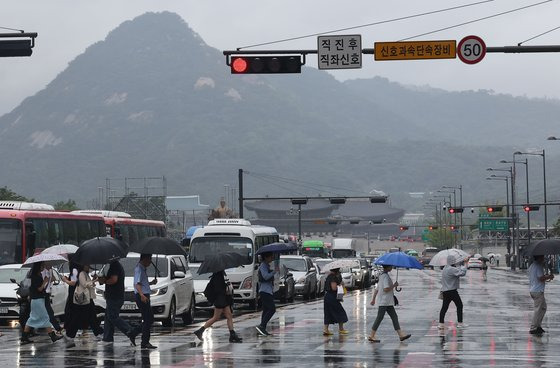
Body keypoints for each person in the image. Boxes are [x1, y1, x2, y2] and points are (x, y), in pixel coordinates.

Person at [20, 262, 64, 344]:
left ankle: (24, 336)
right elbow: (39, 289)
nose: (43, 267)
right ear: (38, 267)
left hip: (36, 300)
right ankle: (52, 335)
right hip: (38, 300)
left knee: (33, 318)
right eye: (42, 266)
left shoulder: (36, 275)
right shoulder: (36, 277)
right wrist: (45, 281)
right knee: (45, 317)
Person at [193, 271, 242, 343]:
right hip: (220, 300)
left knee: (229, 316)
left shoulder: (220, 274)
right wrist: (225, 288)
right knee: (216, 317)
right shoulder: (217, 275)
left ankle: (232, 334)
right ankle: (200, 331)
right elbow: (218, 289)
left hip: (223, 299)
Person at [98, 259, 137, 345]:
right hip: (113, 296)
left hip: (115, 297)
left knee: (112, 316)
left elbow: (114, 280)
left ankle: (130, 330)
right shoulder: (114, 266)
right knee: (108, 317)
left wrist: (104, 281)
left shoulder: (115, 266)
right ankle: (107, 337)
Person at [368, 265, 411, 342]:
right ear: (387, 267)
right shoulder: (385, 277)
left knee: (394, 316)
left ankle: (401, 335)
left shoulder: (382, 276)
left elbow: (377, 289)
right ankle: (371, 335)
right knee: (379, 318)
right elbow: (386, 289)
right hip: (384, 302)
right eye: (390, 266)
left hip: (388, 302)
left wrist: (373, 299)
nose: (391, 267)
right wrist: (394, 285)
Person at [64, 264, 104, 347]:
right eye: (87, 266)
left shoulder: (85, 274)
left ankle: (98, 332)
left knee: (89, 316)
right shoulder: (81, 273)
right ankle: (70, 334)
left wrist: (93, 280)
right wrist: (94, 280)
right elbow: (85, 284)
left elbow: (90, 285)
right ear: (83, 266)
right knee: (83, 317)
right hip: (84, 299)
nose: (89, 268)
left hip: (87, 298)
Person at [134, 254, 158, 349]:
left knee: (149, 319)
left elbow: (142, 283)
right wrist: (142, 295)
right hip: (142, 296)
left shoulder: (142, 268)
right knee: (148, 319)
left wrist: (151, 283)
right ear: (144, 259)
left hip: (144, 294)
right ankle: (144, 342)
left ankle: (133, 333)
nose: (150, 261)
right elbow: (137, 284)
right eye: (149, 259)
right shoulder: (139, 269)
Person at [439, 255, 467, 329]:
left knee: (444, 308)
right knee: (459, 305)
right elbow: (462, 273)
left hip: (445, 291)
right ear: (452, 261)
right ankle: (460, 323)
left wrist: (459, 267)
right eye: (454, 260)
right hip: (452, 291)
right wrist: (464, 266)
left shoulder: (445, 268)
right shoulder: (451, 269)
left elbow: (456, 271)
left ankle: (441, 324)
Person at [528, 255, 554, 335]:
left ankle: (538, 326)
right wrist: (549, 276)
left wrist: (546, 276)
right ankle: (533, 327)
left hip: (534, 290)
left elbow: (538, 277)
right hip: (537, 291)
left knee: (543, 308)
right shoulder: (538, 266)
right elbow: (540, 278)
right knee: (538, 309)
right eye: (542, 257)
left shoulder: (532, 266)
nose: (543, 258)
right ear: (539, 258)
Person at [323, 267, 348, 336]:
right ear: (336, 270)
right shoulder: (333, 277)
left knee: (328, 313)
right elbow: (334, 288)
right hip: (332, 297)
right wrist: (340, 285)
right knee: (340, 311)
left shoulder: (329, 276)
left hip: (327, 297)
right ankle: (341, 329)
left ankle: (325, 329)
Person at [256, 252, 276, 336]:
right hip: (265, 291)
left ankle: (262, 328)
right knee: (272, 309)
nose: (272, 258)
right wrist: (274, 272)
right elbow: (265, 276)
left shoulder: (266, 265)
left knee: (266, 310)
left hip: (267, 291)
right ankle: (262, 326)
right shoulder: (263, 266)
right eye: (271, 256)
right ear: (266, 257)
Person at [41, 264, 63, 334]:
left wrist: (52, 275)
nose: (50, 265)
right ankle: (57, 328)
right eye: (49, 263)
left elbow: (53, 279)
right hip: (43, 294)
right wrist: (46, 280)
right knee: (49, 312)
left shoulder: (50, 270)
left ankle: (56, 328)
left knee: (48, 312)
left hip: (47, 293)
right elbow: (42, 284)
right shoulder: (42, 272)